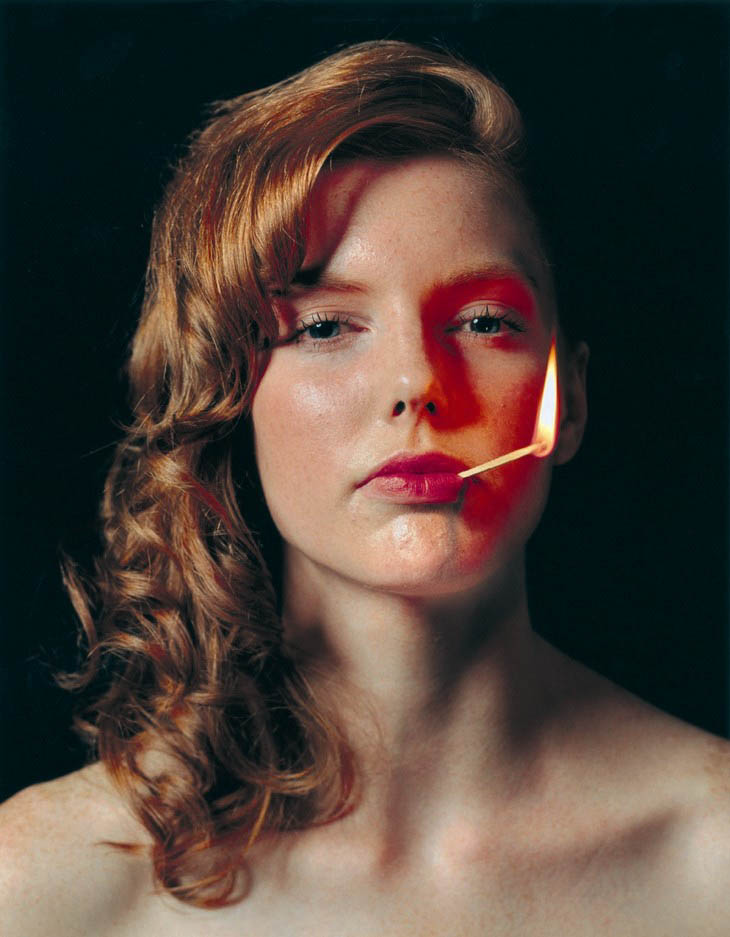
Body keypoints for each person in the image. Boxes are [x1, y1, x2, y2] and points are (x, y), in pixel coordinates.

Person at [1, 39, 729, 936]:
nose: (417, 381)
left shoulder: (713, 853)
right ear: (229, 397)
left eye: (484, 321)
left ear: (568, 401)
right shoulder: (46, 885)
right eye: (324, 327)